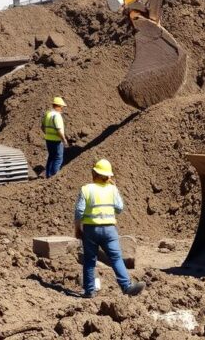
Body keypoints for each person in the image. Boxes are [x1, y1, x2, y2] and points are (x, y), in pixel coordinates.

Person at [73, 158, 145, 298]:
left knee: (89, 261)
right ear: (108, 176)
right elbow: (119, 208)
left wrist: (77, 228)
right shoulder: (112, 189)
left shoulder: (86, 189)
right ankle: (127, 286)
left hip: (90, 230)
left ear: (94, 173)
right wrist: (113, 187)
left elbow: (79, 212)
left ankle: (89, 291)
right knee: (116, 259)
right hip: (109, 230)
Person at [42, 97, 69, 178]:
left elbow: (42, 127)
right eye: (62, 107)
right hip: (57, 141)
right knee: (58, 158)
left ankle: (48, 175)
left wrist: (47, 134)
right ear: (58, 106)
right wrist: (64, 140)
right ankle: (54, 176)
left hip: (48, 139)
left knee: (51, 157)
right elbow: (58, 130)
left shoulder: (47, 114)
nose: (62, 109)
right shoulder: (57, 116)